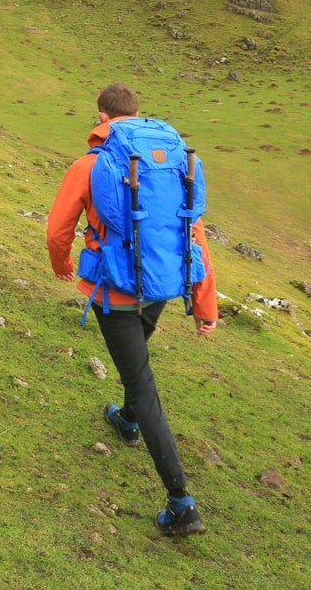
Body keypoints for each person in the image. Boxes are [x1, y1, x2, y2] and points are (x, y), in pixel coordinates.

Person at [46, 82, 219, 536]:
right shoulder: (169, 167)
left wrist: (62, 265)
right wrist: (205, 305)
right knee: (135, 361)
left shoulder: (90, 165)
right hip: (161, 284)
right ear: (138, 114)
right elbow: (193, 235)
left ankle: (182, 504)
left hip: (114, 290)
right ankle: (125, 420)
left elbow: (57, 230)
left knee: (142, 386)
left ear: (102, 117)